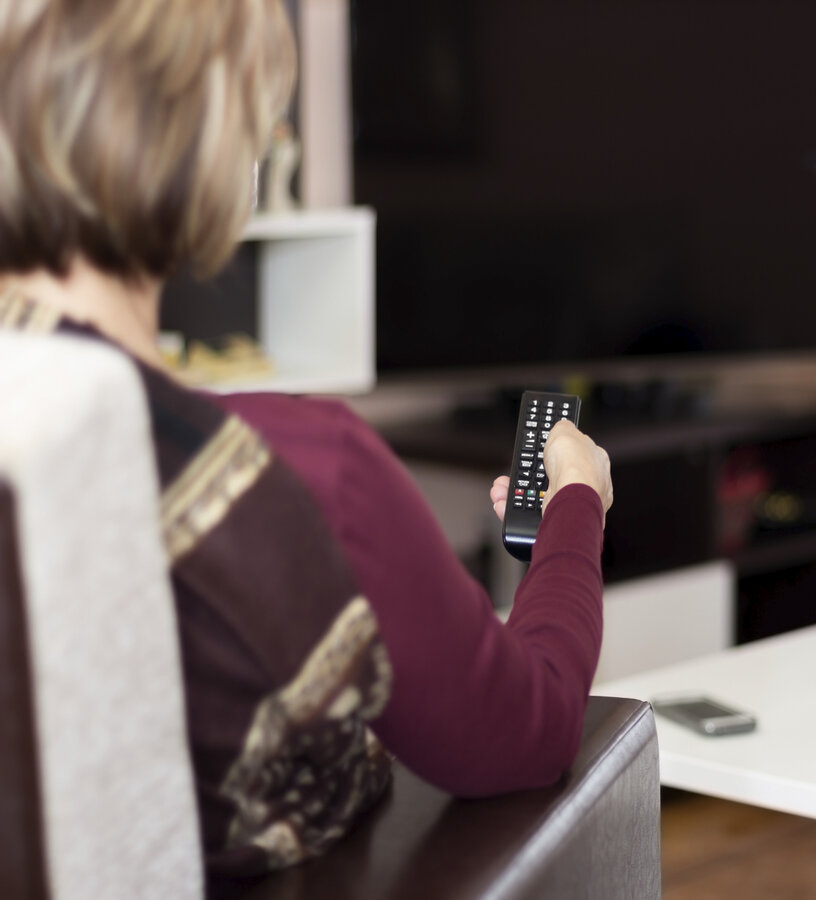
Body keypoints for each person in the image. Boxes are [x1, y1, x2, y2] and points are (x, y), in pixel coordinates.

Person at [0, 0, 612, 881]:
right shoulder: (307, 468)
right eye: (261, 107)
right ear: (209, 144)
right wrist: (575, 505)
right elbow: (533, 727)